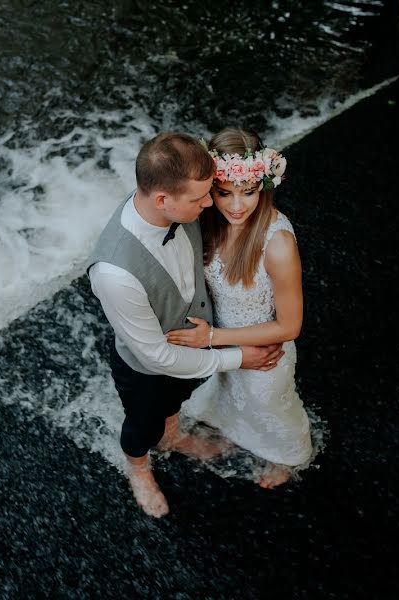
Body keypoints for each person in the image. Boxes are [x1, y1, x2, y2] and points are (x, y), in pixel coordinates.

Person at [88, 132, 285, 518]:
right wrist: (237, 357)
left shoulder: (179, 202)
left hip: (195, 341)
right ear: (163, 200)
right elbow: (157, 355)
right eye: (200, 199)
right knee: (142, 423)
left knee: (177, 398)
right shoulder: (114, 272)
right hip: (146, 366)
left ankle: (173, 435)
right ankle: (139, 469)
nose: (209, 203)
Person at [165, 127, 314, 489]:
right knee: (226, 391)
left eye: (248, 193)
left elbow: (290, 326)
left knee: (269, 406)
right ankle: (227, 426)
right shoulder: (209, 223)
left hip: (264, 347)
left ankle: (291, 455)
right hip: (224, 344)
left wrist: (213, 337)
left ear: (263, 185)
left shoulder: (275, 243)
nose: (236, 206)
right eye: (223, 193)